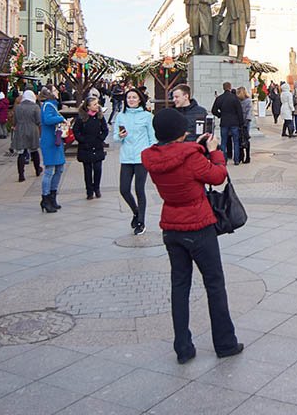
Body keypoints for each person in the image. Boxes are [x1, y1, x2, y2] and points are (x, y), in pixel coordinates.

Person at [142, 108, 244, 364]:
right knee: (214, 284)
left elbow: (175, 154)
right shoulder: (191, 157)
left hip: (171, 227)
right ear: (180, 132)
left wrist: (195, 148)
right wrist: (215, 152)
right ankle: (225, 342)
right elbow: (217, 176)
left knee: (179, 286)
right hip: (199, 226)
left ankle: (183, 347)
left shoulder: (152, 159)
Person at [113, 87, 156, 234]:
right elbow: (115, 137)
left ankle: (141, 222)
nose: (131, 100)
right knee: (124, 189)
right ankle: (136, 211)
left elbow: (152, 137)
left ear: (139, 100)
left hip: (141, 157)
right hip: (126, 157)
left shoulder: (147, 116)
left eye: (134, 97)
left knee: (139, 189)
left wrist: (152, 154)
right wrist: (120, 136)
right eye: (129, 97)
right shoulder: (121, 116)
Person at [72, 96, 109, 200]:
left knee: (97, 169)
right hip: (86, 148)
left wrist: (101, 138)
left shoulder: (100, 117)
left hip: (97, 146)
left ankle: (96, 188)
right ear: (88, 107)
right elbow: (76, 131)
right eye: (94, 104)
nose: (97, 106)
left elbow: (105, 130)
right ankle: (89, 191)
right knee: (87, 171)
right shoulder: (81, 118)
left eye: (97, 104)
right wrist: (82, 140)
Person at [37, 88, 67, 213]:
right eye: (55, 90)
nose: (58, 91)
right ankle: (45, 198)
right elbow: (48, 120)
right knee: (49, 170)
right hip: (50, 141)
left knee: (59, 168)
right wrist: (60, 119)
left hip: (56, 140)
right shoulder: (48, 106)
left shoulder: (51, 105)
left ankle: (53, 196)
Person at [211, 82, 244, 165]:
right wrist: (241, 123)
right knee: (236, 142)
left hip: (224, 122)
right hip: (234, 122)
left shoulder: (220, 98)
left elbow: (213, 110)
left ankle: (224, 160)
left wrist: (220, 115)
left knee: (223, 142)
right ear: (230, 87)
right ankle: (236, 160)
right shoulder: (235, 98)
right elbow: (240, 112)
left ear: (223, 88)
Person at [13, 89, 42, 183]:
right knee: (34, 150)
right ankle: (37, 170)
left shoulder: (18, 107)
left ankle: (21, 175)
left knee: (21, 152)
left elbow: (14, 121)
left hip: (20, 130)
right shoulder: (35, 107)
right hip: (32, 130)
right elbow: (39, 120)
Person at [237, 87, 252, 163]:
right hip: (239, 121)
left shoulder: (248, 100)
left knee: (245, 138)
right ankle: (241, 155)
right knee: (239, 138)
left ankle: (247, 156)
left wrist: (247, 121)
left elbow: (249, 111)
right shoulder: (238, 101)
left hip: (245, 121)